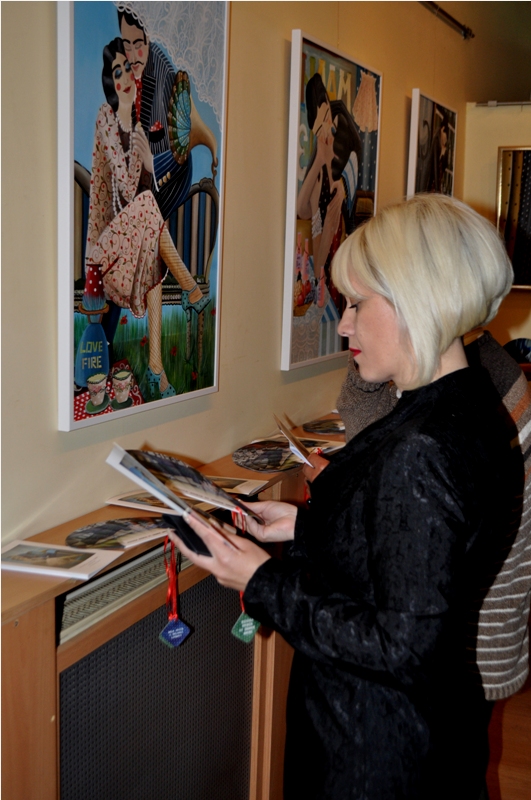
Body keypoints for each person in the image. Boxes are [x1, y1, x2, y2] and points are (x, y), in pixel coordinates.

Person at [169, 194, 516, 799]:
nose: (345, 324)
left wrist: (260, 580)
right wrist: (305, 527)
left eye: (357, 303)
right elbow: (420, 558)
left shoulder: (423, 447)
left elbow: (401, 646)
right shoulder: (471, 406)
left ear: (417, 299)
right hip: (427, 733)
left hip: (375, 750)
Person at [85, 38, 209, 398]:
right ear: (110, 81)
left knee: (153, 232)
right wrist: (133, 129)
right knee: (148, 208)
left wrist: (148, 154)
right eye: (117, 72)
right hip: (104, 254)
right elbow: (127, 189)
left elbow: (138, 196)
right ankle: (190, 288)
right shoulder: (106, 118)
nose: (125, 77)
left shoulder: (138, 125)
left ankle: (157, 370)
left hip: (130, 243)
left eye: (128, 68)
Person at [297, 73, 361, 309]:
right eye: (319, 127)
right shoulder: (321, 161)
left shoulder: (342, 123)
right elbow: (302, 210)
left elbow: (356, 154)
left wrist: (341, 184)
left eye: (326, 120)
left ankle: (321, 283)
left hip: (338, 246)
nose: (325, 131)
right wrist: (318, 161)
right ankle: (319, 284)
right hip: (325, 256)